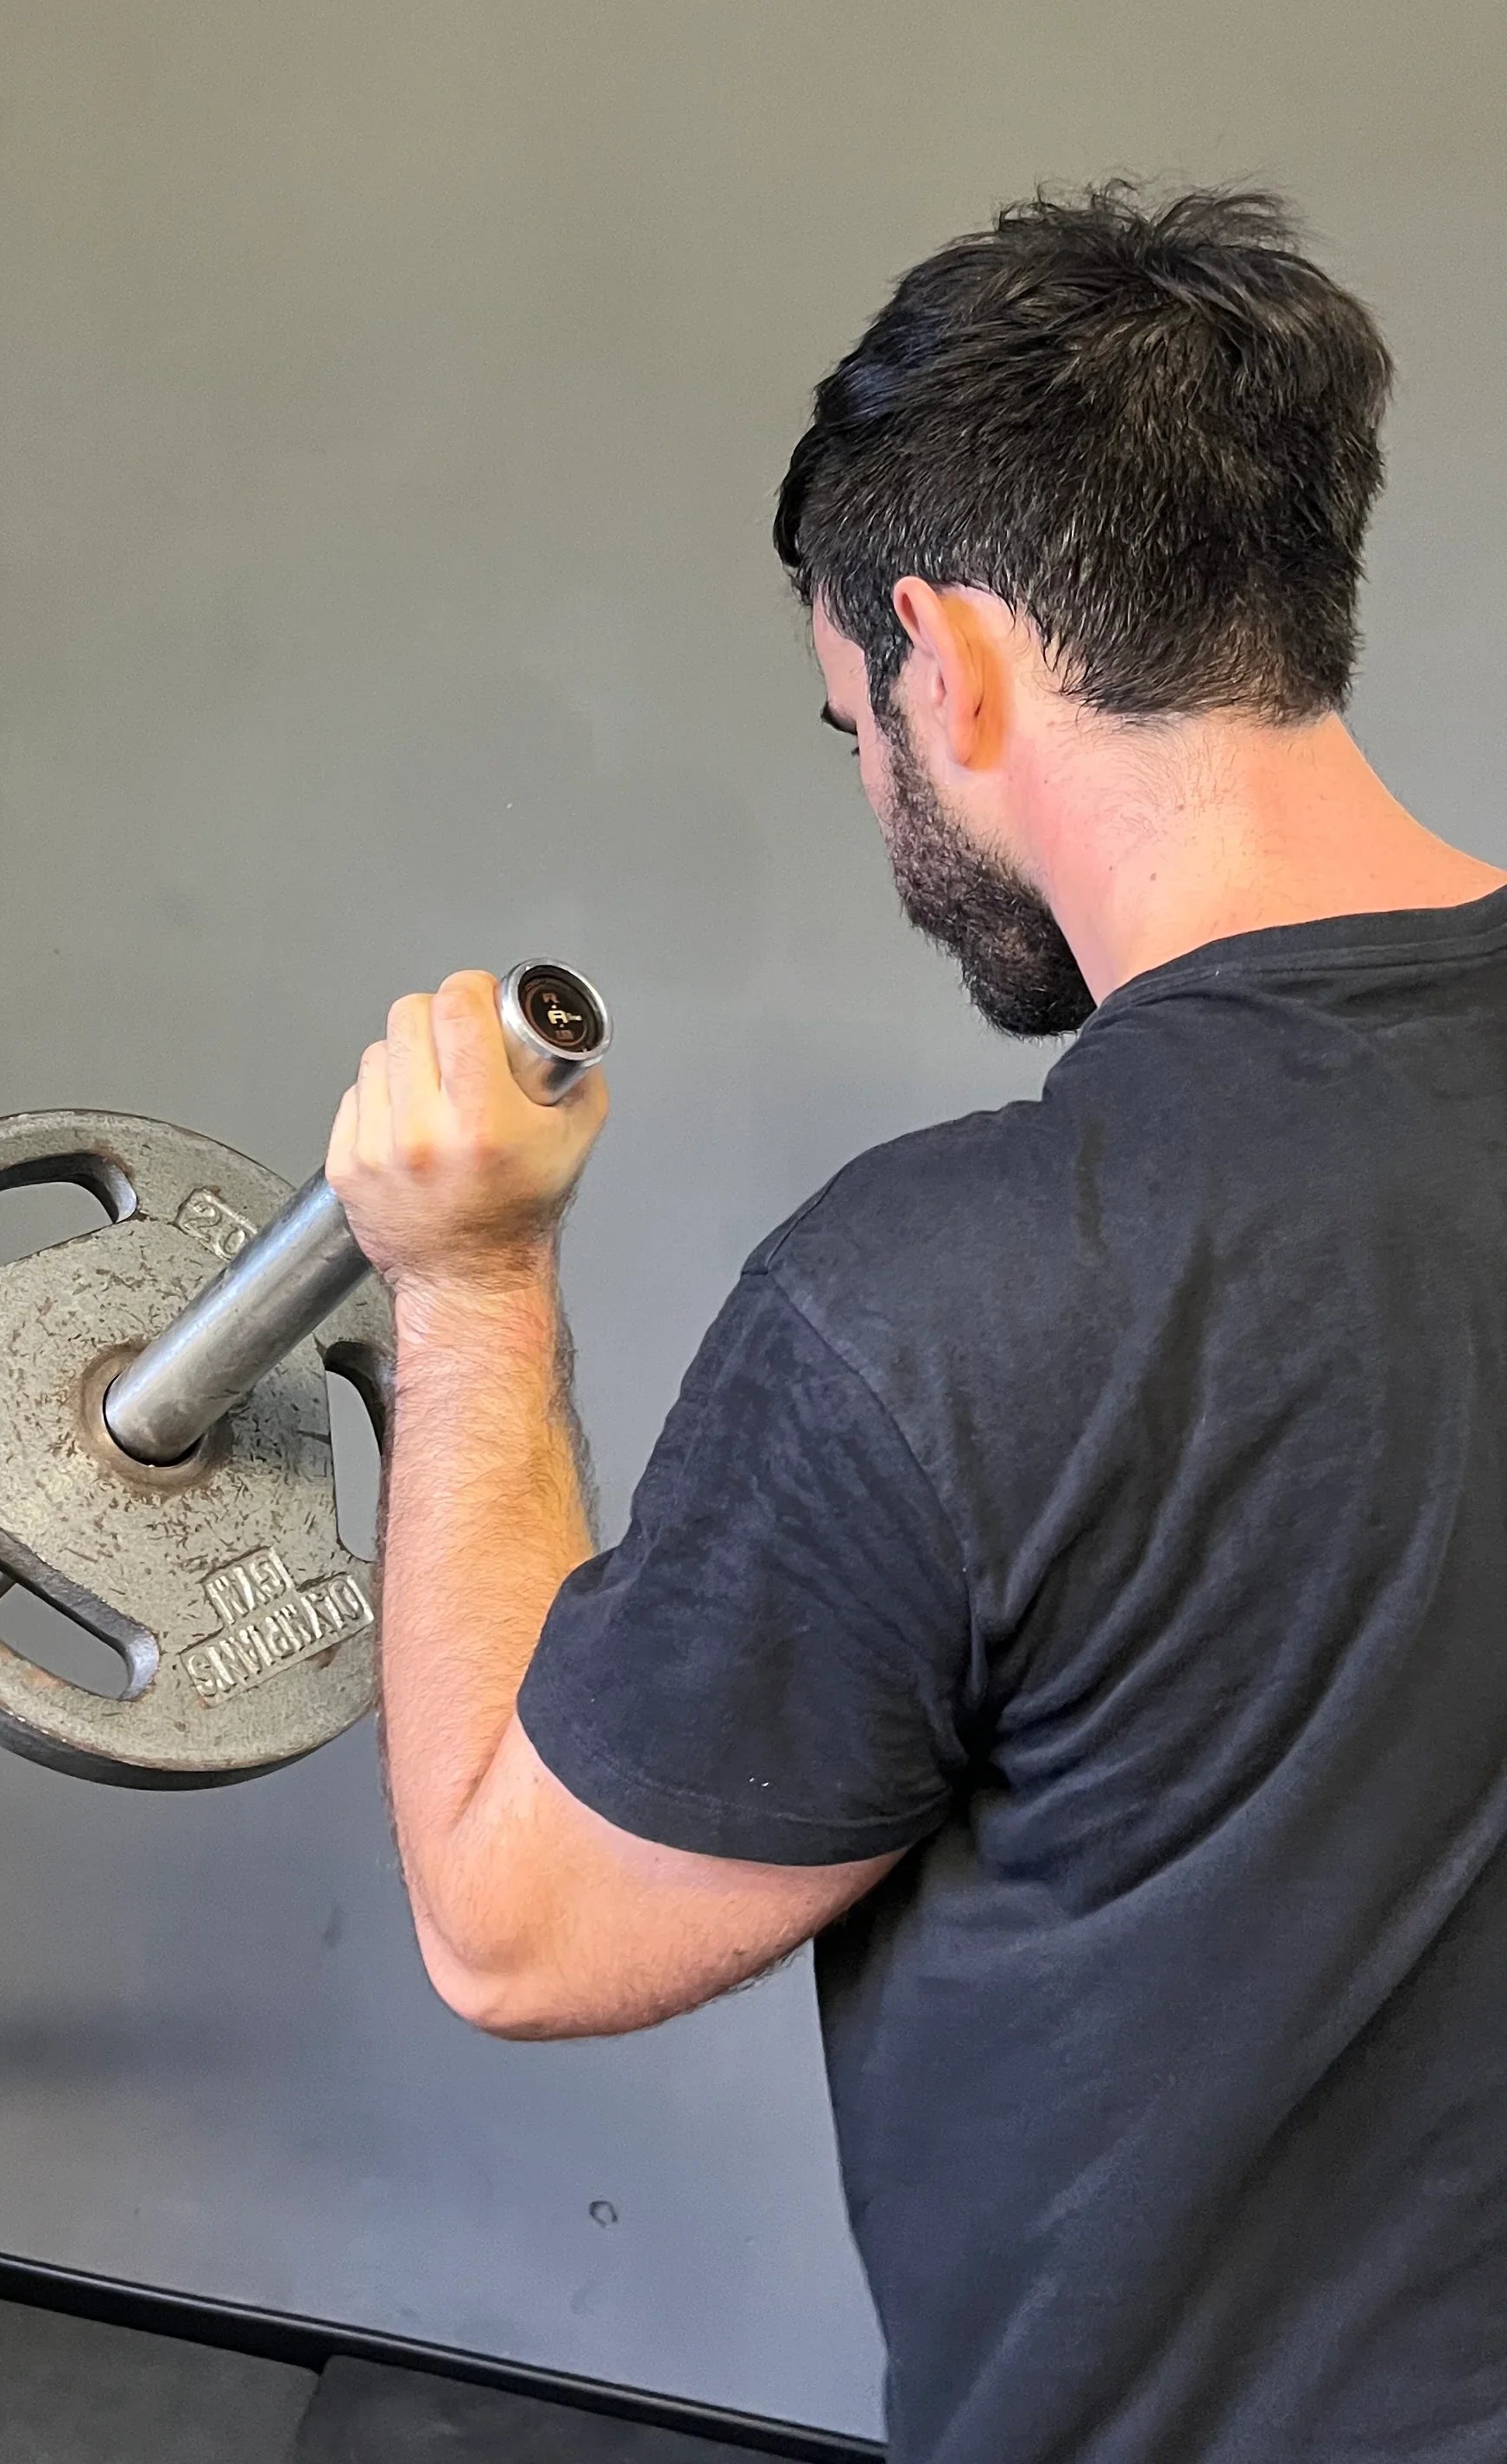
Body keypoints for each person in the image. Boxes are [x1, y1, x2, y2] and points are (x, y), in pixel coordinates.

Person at [326, 185, 1507, 2464]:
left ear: (947, 664)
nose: (870, 778)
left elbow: (515, 1924)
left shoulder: (956, 1295)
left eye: (847, 719)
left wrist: (469, 1285)